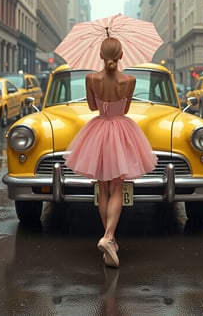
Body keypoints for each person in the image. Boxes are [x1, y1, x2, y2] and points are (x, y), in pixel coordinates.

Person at [65, 37, 157, 267]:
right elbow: (125, 109)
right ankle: (108, 238)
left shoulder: (90, 78)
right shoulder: (130, 80)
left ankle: (109, 239)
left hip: (98, 130)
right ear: (121, 55)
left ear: (100, 55)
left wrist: (102, 100)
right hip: (121, 129)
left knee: (103, 187)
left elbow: (92, 107)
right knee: (117, 186)